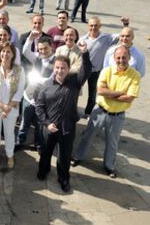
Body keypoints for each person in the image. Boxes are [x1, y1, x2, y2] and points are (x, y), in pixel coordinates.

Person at [72, 46, 140, 178]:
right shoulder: (107, 71)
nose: (121, 60)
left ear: (129, 58)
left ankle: (109, 166)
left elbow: (130, 98)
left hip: (117, 116)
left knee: (112, 143)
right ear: (114, 59)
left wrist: (110, 93)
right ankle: (78, 157)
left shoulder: (135, 75)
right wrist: (121, 93)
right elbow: (101, 91)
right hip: (100, 111)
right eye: (118, 58)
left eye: (124, 57)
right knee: (88, 136)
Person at [35, 41, 92, 193]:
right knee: (46, 152)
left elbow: (86, 70)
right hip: (49, 128)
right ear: (54, 68)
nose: (60, 71)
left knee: (64, 156)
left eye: (63, 68)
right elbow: (39, 107)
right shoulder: (46, 85)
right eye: (57, 68)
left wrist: (85, 53)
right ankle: (44, 170)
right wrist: (47, 123)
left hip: (67, 128)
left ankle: (64, 178)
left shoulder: (75, 82)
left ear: (68, 69)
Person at [0, 42, 25, 168]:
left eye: (8, 51)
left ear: (13, 54)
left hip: (11, 109)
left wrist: (8, 107)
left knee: (9, 133)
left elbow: (20, 91)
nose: (5, 54)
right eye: (3, 51)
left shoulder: (19, 70)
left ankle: (10, 155)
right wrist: (2, 106)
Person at [16, 35, 55, 150]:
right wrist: (30, 39)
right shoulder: (38, 57)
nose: (42, 51)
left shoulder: (56, 61)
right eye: (40, 49)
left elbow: (50, 81)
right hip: (29, 97)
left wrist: (36, 78)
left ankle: (38, 144)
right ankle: (20, 141)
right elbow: (26, 51)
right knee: (24, 122)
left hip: (43, 100)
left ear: (51, 47)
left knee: (39, 124)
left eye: (45, 48)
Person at [80, 16, 124, 116]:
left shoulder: (106, 38)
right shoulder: (82, 39)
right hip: (82, 71)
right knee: (75, 91)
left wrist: (125, 25)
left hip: (96, 72)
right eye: (91, 25)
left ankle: (88, 112)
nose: (93, 28)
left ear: (100, 26)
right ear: (88, 26)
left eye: (96, 25)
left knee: (92, 94)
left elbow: (122, 36)